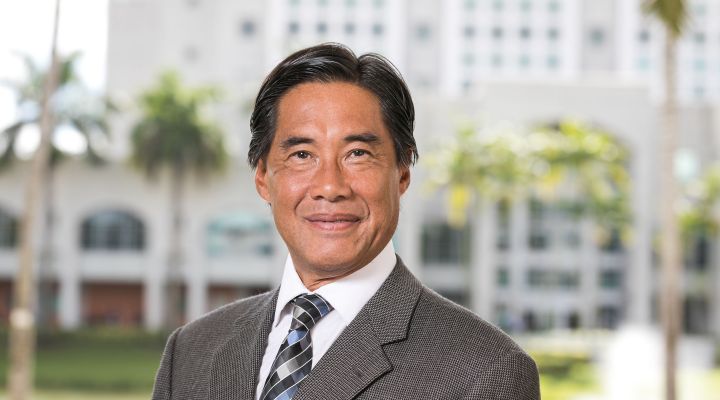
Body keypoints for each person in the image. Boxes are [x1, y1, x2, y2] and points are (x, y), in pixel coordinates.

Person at [152, 43, 540, 400]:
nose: (329, 187)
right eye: (302, 155)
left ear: (402, 174)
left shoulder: (488, 371)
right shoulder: (189, 351)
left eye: (357, 153)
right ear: (263, 178)